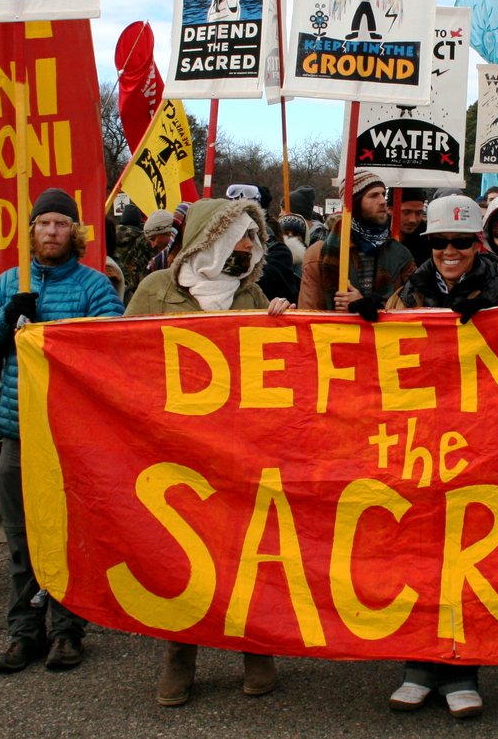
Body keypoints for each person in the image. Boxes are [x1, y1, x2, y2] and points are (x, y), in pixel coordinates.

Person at [126, 197, 292, 706]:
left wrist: (280, 324)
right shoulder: (157, 290)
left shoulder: (251, 294)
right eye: (243, 237)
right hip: (176, 447)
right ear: (211, 239)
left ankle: (254, 647)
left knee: (246, 550)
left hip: (240, 448)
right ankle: (181, 656)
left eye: (253, 239)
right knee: (184, 556)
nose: (250, 247)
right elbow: (121, 354)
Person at [384, 194, 498, 719]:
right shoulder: (409, 293)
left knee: (472, 552)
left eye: (461, 242)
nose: (450, 251)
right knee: (420, 550)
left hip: (488, 440)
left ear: (478, 243)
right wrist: (360, 320)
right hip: (424, 441)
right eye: (439, 242)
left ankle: (463, 668)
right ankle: (417, 666)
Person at [0, 188, 124, 674]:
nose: (52, 232)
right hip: (17, 430)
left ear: (73, 232)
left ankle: (66, 629)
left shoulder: (94, 286)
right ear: (31, 231)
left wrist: (54, 333)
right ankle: (22, 631)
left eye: (60, 224)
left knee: (67, 533)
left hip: (69, 434)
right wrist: (9, 314)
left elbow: (110, 345)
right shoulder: (10, 282)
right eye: (43, 224)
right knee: (19, 538)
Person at [298, 172, 415, 319]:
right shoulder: (318, 254)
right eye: (373, 196)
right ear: (354, 203)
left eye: (383, 194)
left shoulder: (400, 254)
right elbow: (308, 317)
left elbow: (414, 309)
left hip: (385, 340)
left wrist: (373, 307)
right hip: (336, 339)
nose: (382, 201)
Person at [227, 184, 299, 303]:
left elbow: (266, 284)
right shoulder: (217, 254)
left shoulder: (278, 253)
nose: (247, 243)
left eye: (248, 232)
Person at [394, 190, 430, 266]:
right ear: (390, 210)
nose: (413, 220)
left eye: (418, 213)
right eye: (406, 212)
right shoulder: (373, 240)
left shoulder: (427, 239)